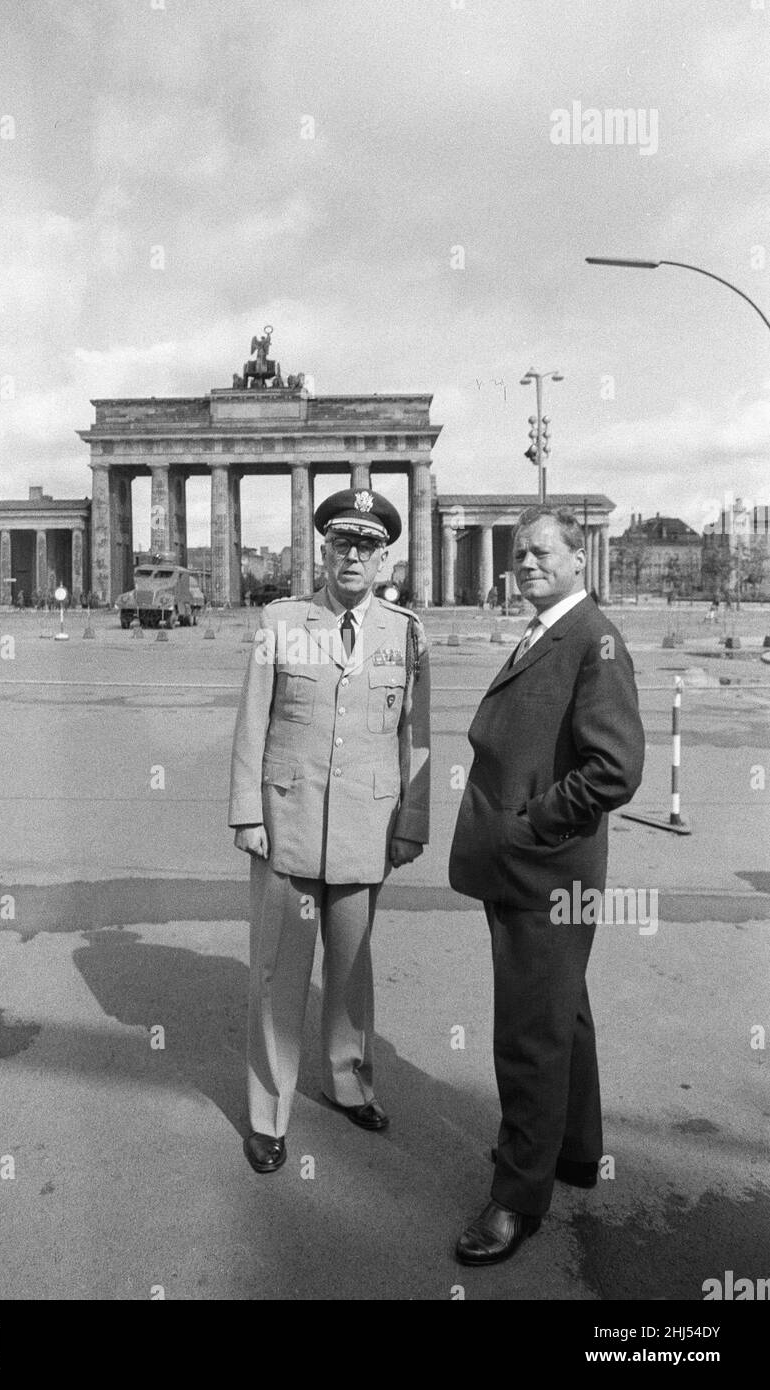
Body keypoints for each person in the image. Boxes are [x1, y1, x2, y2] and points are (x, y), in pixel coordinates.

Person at [448, 505, 644, 1265]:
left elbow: (614, 769)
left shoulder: (590, 639)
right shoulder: (548, 630)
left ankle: (513, 1201)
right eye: (519, 553)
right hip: (534, 866)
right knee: (565, 1012)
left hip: (542, 868)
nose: (526, 563)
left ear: (577, 562)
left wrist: (529, 824)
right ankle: (574, 1151)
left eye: (541, 553)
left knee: (528, 1035)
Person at [229, 488, 431, 1173]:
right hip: (286, 823)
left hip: (366, 827)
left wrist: (412, 822)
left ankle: (347, 1081)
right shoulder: (282, 621)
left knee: (351, 970)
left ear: (383, 559)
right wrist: (246, 814)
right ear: (323, 550)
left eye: (367, 546)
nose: (352, 556)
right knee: (278, 974)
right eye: (342, 543)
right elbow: (252, 722)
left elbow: (417, 736)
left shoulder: (404, 632)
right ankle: (268, 1114)